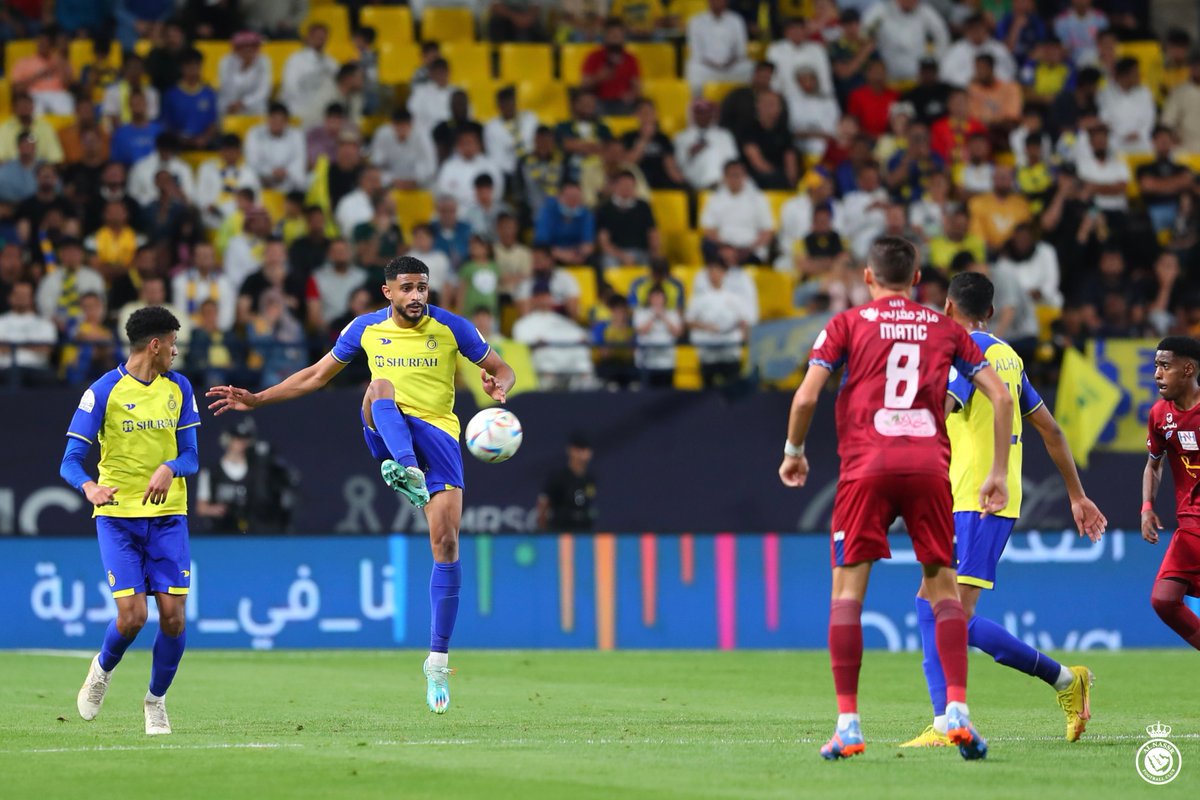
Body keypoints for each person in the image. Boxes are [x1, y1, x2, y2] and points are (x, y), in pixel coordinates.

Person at [207, 257, 516, 714]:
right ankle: (407, 469)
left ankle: (436, 661)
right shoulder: (365, 329)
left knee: (447, 544)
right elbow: (316, 375)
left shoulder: (453, 327)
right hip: (388, 427)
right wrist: (259, 399)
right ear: (387, 291)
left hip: (440, 435)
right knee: (379, 386)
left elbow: (503, 368)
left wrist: (499, 385)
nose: (416, 295)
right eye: (407, 287)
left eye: (422, 287)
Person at [778, 236, 1013, 761]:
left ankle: (849, 725)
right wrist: (997, 472)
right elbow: (999, 395)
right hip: (929, 467)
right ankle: (957, 712)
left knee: (847, 595)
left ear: (868, 277)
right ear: (917, 279)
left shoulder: (846, 324)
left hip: (867, 467)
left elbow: (806, 396)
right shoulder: (946, 328)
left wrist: (794, 452)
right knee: (944, 591)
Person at [900, 271, 1105, 749]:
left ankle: (1060, 681)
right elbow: (1050, 430)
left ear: (948, 308)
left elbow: (942, 407)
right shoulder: (1008, 357)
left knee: (954, 614)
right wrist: (1077, 495)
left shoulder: (966, 351)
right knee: (929, 604)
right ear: (990, 312)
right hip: (973, 496)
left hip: (979, 499)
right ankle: (945, 720)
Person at [60, 307, 200, 736]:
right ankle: (102, 670)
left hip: (168, 517)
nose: (176, 352)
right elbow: (70, 461)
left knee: (173, 618)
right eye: (172, 344)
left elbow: (192, 456)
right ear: (155, 345)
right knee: (133, 617)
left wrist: (171, 467)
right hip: (118, 520)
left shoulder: (180, 388)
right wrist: (89, 487)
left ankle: (155, 702)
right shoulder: (104, 391)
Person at [1141, 337, 1200, 653]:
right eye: (1156, 366)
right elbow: (1154, 464)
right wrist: (1147, 506)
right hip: (1189, 527)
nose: (1157, 374)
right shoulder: (1159, 415)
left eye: (1165, 366)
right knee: (1164, 600)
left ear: (1188, 369)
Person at [195, 416, 299, 534]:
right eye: (237, 439)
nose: (241, 444)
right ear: (228, 440)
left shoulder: (258, 470)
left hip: (252, 533)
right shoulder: (211, 472)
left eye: (244, 439)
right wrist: (215, 510)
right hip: (221, 532)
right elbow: (201, 508)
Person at [536, 432, 597, 531]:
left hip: (584, 531)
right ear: (571, 450)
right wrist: (543, 530)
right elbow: (544, 503)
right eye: (579, 450)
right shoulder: (558, 477)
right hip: (561, 530)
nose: (583, 454)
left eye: (586, 450)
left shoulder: (590, 479)